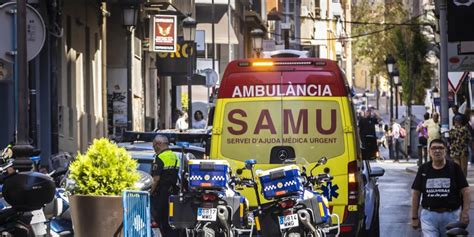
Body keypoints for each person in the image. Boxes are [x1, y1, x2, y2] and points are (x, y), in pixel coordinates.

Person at [411, 139, 470, 237]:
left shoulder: (455, 168)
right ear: (429, 151)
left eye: (440, 148)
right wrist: (414, 217)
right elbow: (416, 193)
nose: (437, 151)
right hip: (429, 216)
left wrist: (465, 213)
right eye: (434, 148)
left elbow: (465, 191)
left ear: (445, 151)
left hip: (452, 216)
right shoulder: (423, 169)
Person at [150, 135, 180, 237]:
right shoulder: (175, 156)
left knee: (158, 222)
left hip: (160, 195)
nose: (154, 148)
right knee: (169, 222)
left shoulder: (160, 158)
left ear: (159, 144)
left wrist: (150, 192)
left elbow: (155, 179)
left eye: (154, 145)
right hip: (172, 194)